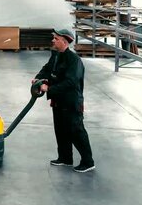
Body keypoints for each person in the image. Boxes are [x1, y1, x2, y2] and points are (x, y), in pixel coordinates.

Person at [32, 29, 95, 173]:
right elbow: (47, 69)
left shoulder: (74, 60)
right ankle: (65, 158)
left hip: (71, 102)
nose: (53, 40)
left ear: (64, 42)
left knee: (76, 131)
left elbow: (71, 82)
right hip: (58, 101)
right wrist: (38, 78)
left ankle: (88, 161)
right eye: (54, 38)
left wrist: (48, 89)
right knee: (60, 130)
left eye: (56, 38)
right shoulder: (56, 56)